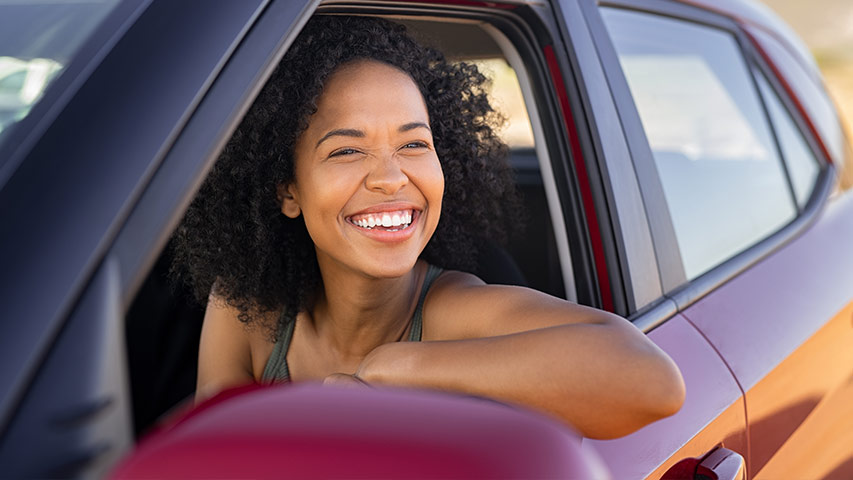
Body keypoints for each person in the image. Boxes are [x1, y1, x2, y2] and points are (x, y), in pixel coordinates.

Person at [172, 15, 684, 440]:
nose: (391, 177)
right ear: (288, 191)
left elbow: (653, 379)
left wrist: (395, 370)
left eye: (414, 144)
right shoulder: (247, 313)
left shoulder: (453, 312)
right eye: (347, 150)